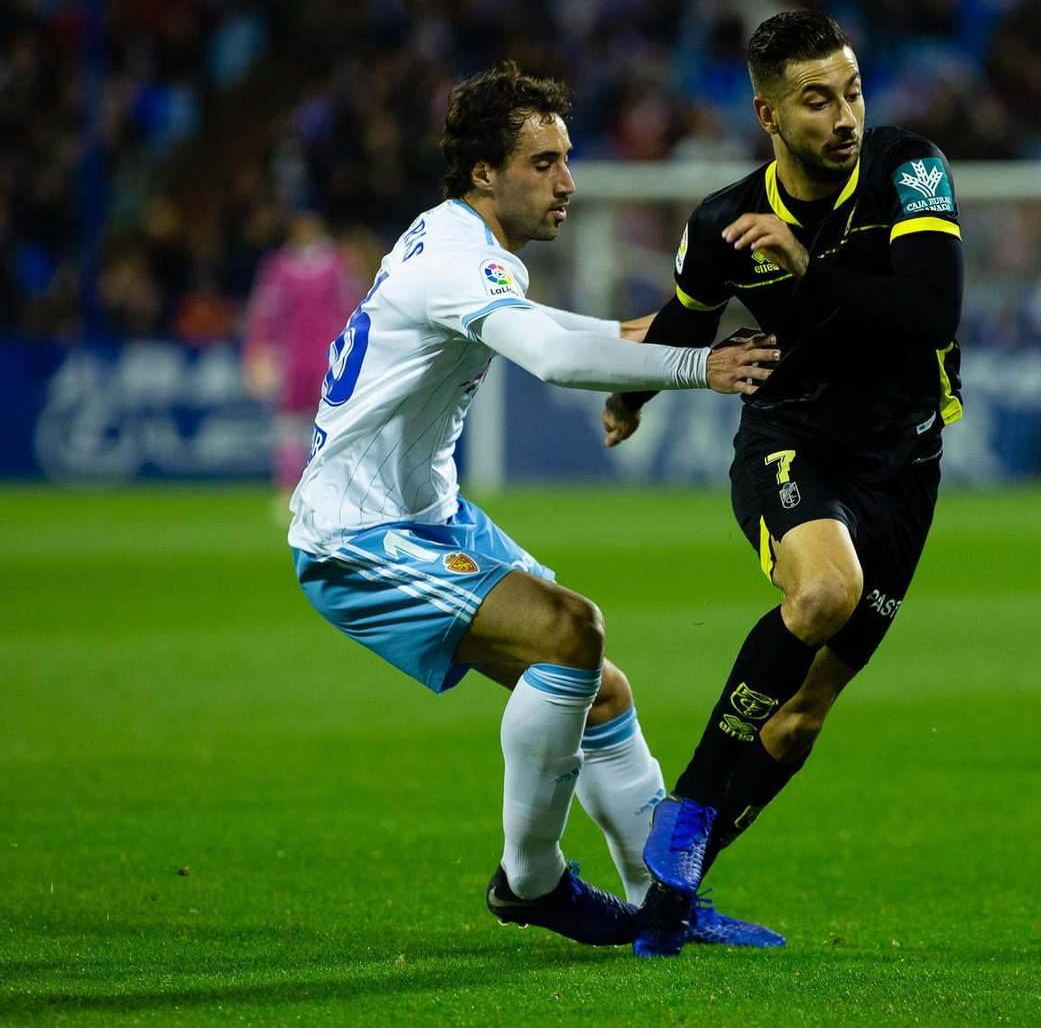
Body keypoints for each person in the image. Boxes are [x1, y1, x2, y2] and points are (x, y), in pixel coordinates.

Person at [287, 61, 785, 948]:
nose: (569, 182)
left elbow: (561, 332)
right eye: (544, 163)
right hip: (357, 531)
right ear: (486, 172)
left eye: (567, 158)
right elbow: (551, 359)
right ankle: (531, 882)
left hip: (423, 511)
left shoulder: (454, 240)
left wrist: (656, 333)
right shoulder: (454, 258)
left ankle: (663, 908)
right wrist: (693, 367)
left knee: (596, 688)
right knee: (570, 632)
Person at [603, 11, 965, 956]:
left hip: (905, 468)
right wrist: (635, 393)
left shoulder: (909, 168)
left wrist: (813, 266)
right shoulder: (723, 222)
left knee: (801, 721)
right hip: (790, 443)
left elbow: (931, 312)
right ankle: (685, 807)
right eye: (817, 100)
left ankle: (671, 900)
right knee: (823, 592)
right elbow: (686, 325)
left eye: (850, 92)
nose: (843, 116)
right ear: (768, 112)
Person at [243, 209, 367, 499]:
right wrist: (257, 352)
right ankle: (289, 487)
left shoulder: (338, 263)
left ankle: (330, 487)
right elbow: (264, 315)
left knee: (331, 419)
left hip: (330, 356)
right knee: (288, 421)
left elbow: (356, 309)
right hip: (292, 358)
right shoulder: (277, 267)